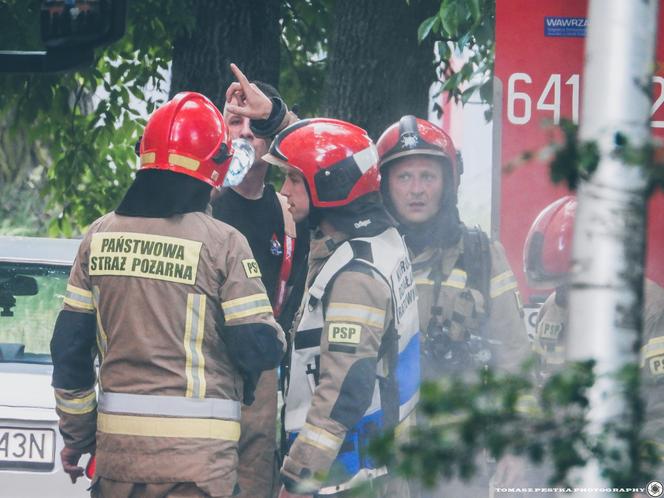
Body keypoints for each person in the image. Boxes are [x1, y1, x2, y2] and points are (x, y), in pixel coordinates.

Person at [50, 91, 286, 498]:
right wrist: (277, 335)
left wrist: (78, 437)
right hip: (196, 470)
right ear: (216, 163)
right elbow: (257, 349)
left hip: (117, 465)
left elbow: (69, 351)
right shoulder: (223, 243)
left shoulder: (99, 236)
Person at [261, 117, 420, 498]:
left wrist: (298, 479)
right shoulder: (380, 238)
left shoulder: (354, 277)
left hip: (345, 478)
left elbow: (344, 391)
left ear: (331, 184)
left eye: (294, 180)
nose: (284, 191)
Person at [376, 116, 531, 497]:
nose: (417, 190)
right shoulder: (366, 253)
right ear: (384, 184)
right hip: (376, 455)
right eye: (404, 177)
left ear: (448, 183)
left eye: (427, 176)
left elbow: (515, 357)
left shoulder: (481, 256)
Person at [211, 78, 309, 498]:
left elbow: (317, 149)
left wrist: (276, 116)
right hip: (202, 369)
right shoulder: (198, 202)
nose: (246, 133)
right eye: (236, 122)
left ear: (273, 140)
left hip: (262, 381)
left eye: (257, 126)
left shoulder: (291, 214)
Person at [523, 195, 664, 458]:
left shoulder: (651, 313)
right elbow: (539, 394)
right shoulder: (553, 309)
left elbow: (660, 416)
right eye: (558, 285)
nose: (562, 296)